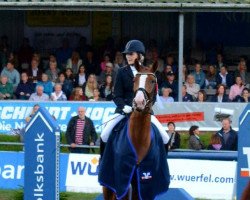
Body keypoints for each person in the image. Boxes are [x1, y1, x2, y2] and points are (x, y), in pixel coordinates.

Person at [100, 40, 169, 152]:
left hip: (144, 112)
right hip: (124, 111)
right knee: (104, 135)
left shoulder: (148, 72)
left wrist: (145, 107)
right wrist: (123, 107)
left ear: (139, 55)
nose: (128, 56)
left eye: (131, 54)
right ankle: (102, 163)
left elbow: (154, 96)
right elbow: (116, 95)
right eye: (127, 54)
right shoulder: (121, 72)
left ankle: (162, 165)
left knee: (165, 138)